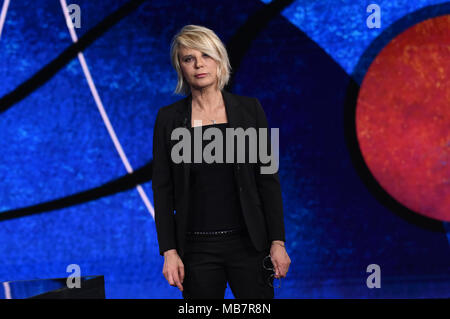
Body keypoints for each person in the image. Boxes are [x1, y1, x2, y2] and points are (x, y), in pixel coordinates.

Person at [152, 24, 290, 299]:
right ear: (180, 67)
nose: (198, 65)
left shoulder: (251, 110)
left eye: (205, 56)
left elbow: (268, 181)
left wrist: (278, 241)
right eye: (188, 59)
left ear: (219, 59)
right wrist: (169, 251)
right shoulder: (167, 119)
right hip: (196, 251)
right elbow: (162, 189)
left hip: (250, 246)